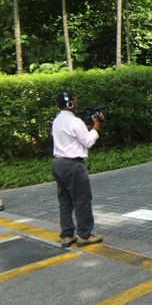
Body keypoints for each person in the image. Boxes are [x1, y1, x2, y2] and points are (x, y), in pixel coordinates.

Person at [51, 92, 104, 248]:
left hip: (58, 163)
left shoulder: (57, 120)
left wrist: (88, 127)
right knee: (82, 200)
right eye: (75, 101)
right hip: (73, 165)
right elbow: (87, 141)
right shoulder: (75, 121)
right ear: (69, 104)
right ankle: (84, 235)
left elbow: (72, 136)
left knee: (65, 201)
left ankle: (67, 235)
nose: (77, 104)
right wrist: (95, 128)